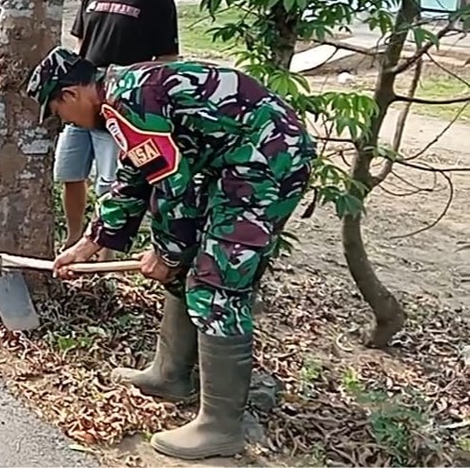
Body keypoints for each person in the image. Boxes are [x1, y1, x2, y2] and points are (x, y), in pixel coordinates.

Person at [26, 47, 316, 461]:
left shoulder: (129, 102)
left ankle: (220, 427)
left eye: (58, 112)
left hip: (265, 161)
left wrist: (168, 253)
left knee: (217, 281)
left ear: (70, 94)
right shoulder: (122, 97)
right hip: (237, 162)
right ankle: (170, 375)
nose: (64, 121)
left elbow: (173, 185)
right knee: (191, 269)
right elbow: (136, 176)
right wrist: (93, 241)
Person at [57, 0, 179, 258]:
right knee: (70, 171)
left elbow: (167, 62)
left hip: (122, 109)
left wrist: (145, 105)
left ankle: (106, 246)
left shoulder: (158, 2)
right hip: (83, 103)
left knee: (111, 182)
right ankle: (74, 236)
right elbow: (82, 47)